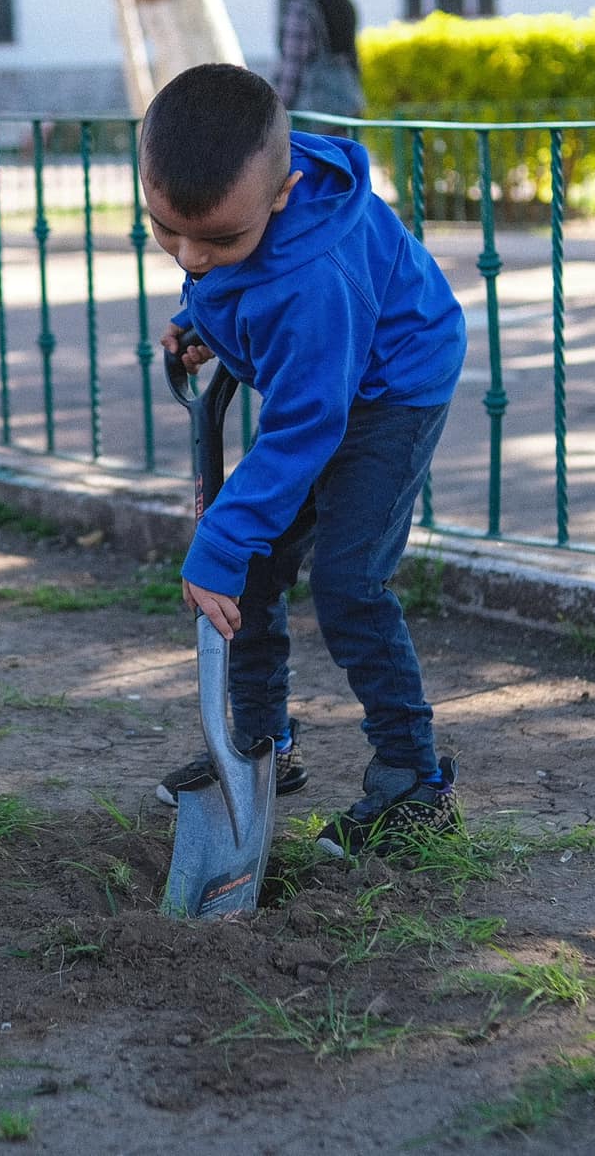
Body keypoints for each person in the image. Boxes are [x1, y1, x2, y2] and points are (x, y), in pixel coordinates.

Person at [143, 63, 468, 858]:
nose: (189, 255)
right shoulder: (233, 212)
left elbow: (305, 425)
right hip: (322, 384)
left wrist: (218, 541)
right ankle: (261, 747)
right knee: (255, 566)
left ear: (284, 194)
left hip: (389, 390)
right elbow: (232, 282)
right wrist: (202, 323)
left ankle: (413, 783)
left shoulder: (317, 277)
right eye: (165, 229)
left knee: (349, 581)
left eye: (217, 240)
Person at [273, 0, 365, 119]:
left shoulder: (302, 5)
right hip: (348, 105)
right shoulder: (343, 1)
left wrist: (275, 111)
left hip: (313, 112)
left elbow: (292, 66)